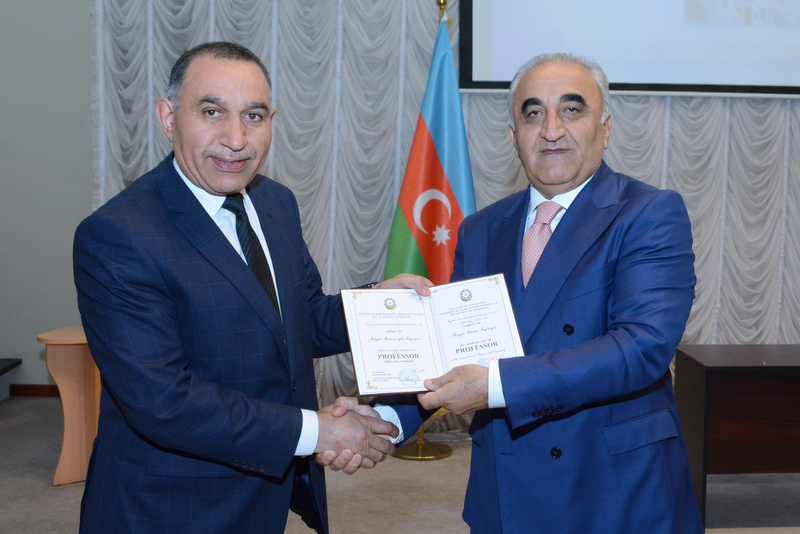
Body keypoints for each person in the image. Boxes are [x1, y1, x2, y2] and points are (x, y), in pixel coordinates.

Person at [326, 53, 704, 533]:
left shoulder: (649, 213)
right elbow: (454, 352)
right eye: (533, 113)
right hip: (506, 486)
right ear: (513, 136)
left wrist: (495, 386)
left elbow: (641, 347)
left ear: (605, 129)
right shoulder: (482, 229)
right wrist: (383, 418)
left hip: (614, 488)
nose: (551, 130)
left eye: (572, 109)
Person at [73, 41, 429, 534]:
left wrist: (381, 303)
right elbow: (163, 400)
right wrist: (319, 431)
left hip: (264, 489)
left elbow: (301, 317)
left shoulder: (275, 202)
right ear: (168, 118)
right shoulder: (118, 234)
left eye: (254, 116)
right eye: (212, 112)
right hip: (168, 506)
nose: (237, 139)